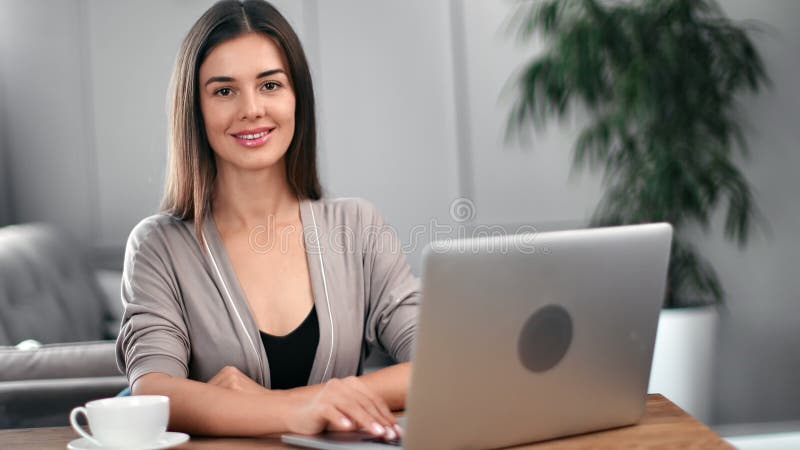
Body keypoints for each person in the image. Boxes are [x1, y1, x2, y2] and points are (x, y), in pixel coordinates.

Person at [115, 0, 419, 440]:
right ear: (195, 109)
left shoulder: (358, 226)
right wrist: (297, 409)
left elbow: (436, 361)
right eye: (224, 91)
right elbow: (154, 391)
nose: (251, 109)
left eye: (270, 85)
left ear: (297, 97)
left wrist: (286, 402)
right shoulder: (158, 245)